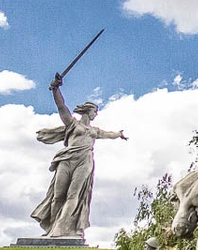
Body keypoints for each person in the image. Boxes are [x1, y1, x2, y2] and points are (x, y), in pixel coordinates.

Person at [31, 74, 126, 239]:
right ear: (88, 111)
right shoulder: (72, 124)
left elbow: (109, 134)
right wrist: (55, 89)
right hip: (67, 159)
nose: (96, 114)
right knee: (58, 195)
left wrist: (119, 134)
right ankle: (52, 229)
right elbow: (62, 107)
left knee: (73, 195)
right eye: (95, 111)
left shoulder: (94, 131)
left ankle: (62, 229)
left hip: (84, 161)